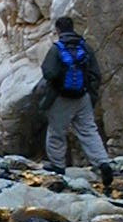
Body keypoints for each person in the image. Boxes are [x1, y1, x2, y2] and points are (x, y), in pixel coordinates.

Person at [40, 15, 114, 190]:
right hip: (82, 97)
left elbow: (48, 72)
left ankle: (58, 168)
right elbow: (96, 74)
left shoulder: (56, 49)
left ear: (58, 30)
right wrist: (90, 93)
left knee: (57, 132)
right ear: (73, 28)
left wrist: (54, 88)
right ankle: (103, 163)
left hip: (61, 98)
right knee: (89, 131)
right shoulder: (85, 47)